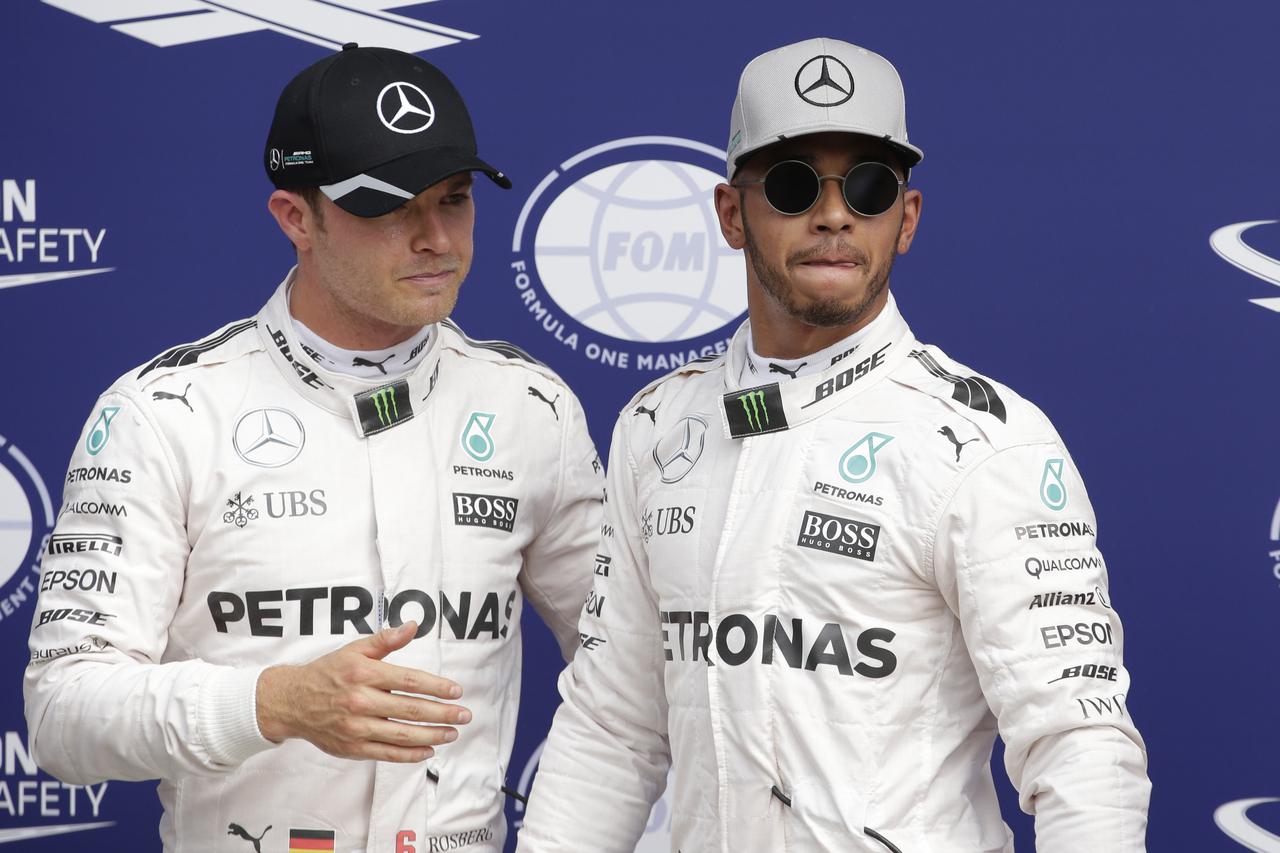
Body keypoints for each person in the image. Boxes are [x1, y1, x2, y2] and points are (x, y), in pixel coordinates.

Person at [517, 37, 1150, 853]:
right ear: (728, 213)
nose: (833, 213)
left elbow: (1079, 743)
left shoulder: (987, 442)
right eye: (790, 183)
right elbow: (613, 729)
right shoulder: (656, 427)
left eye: (868, 185)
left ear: (907, 218)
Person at [24, 44, 602, 852]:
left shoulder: (531, 407)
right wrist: (276, 702)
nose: (435, 237)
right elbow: (62, 713)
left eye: (455, 199)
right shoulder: (165, 411)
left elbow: (627, 681)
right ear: (296, 218)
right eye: (388, 206)